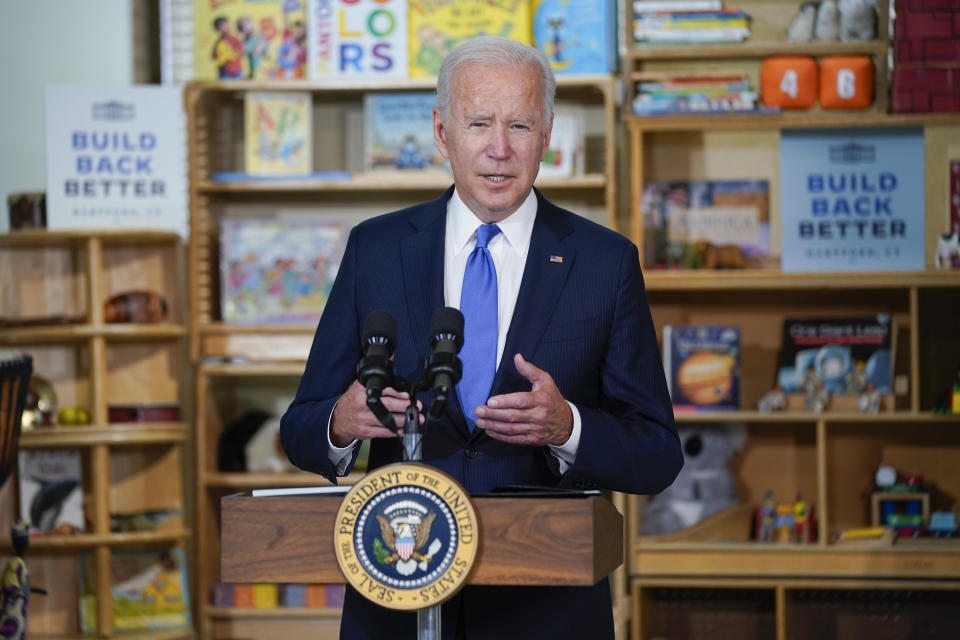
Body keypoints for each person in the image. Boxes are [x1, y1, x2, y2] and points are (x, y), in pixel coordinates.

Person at [280, 36, 682, 640]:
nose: (500, 150)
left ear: (547, 135)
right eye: (478, 124)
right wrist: (340, 422)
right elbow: (300, 428)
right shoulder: (377, 249)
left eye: (520, 125)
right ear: (442, 133)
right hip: (397, 597)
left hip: (545, 608)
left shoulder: (605, 262)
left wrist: (567, 427)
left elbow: (657, 454)